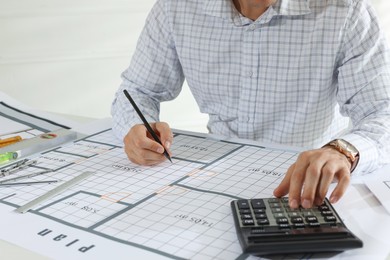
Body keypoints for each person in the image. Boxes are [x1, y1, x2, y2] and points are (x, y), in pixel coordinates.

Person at [111, 0, 390, 209]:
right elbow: (137, 90)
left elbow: (382, 112)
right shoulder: (177, 7)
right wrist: (136, 129)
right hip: (213, 179)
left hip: (310, 183)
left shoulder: (348, 9)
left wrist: (343, 151)